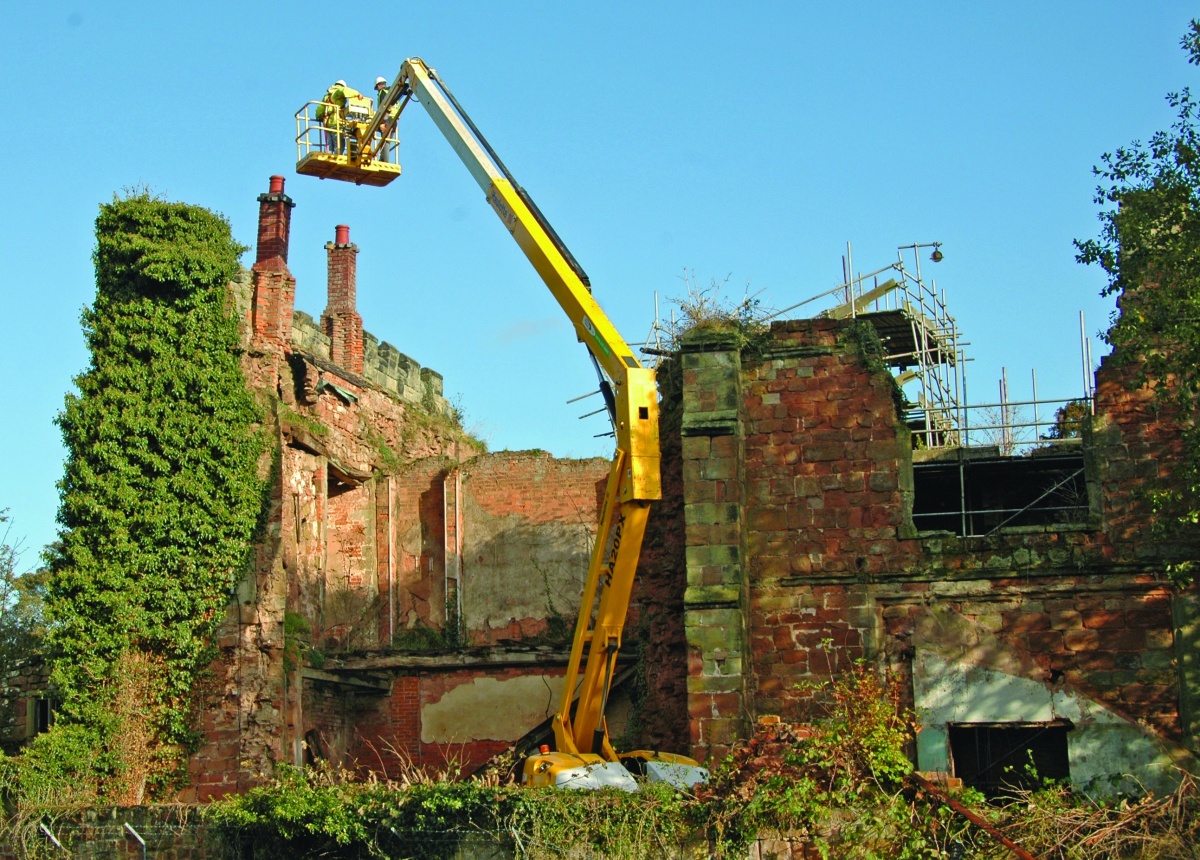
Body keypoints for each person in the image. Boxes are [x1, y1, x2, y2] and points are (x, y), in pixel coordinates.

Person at [373, 76, 399, 164]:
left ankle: (384, 160)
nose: (377, 90)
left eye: (377, 88)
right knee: (387, 141)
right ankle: (384, 159)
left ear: (379, 86)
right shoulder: (393, 92)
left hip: (387, 119)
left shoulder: (382, 92)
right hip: (394, 120)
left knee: (385, 141)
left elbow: (384, 107)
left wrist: (382, 122)